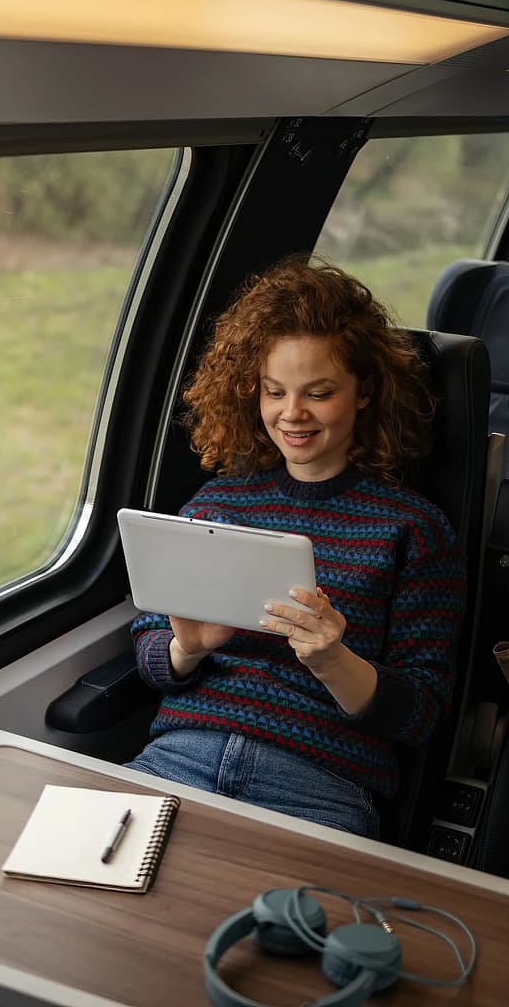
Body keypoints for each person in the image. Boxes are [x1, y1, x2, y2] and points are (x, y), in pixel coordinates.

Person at [125, 255, 466, 838]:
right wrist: (188, 648)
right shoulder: (217, 506)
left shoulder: (413, 528)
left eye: (319, 392)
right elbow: (150, 652)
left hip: (319, 783)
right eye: (274, 392)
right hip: (181, 755)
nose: (292, 414)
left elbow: (423, 712)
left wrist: (334, 660)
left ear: (363, 392)